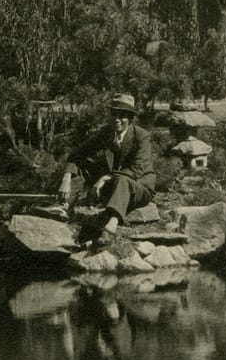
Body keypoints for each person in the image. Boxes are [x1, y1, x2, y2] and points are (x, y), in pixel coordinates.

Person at [58, 93, 155, 246]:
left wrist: (104, 178)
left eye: (122, 116)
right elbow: (77, 154)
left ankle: (111, 225)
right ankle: (63, 206)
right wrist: (66, 178)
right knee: (83, 166)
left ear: (130, 118)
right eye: (114, 115)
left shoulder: (141, 136)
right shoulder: (106, 133)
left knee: (123, 180)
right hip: (114, 186)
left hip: (139, 188)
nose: (117, 119)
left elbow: (136, 169)